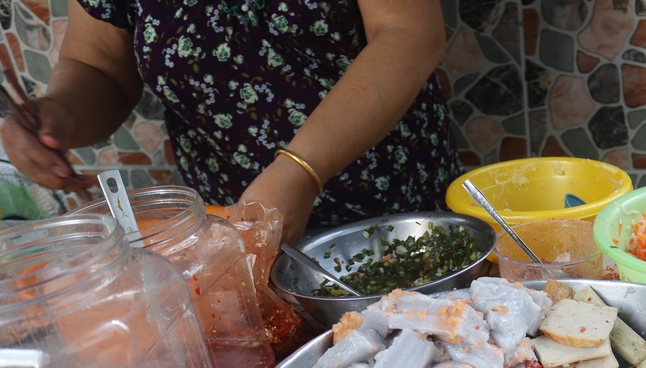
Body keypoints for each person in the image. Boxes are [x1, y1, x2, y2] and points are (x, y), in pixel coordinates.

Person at [1, 0, 461, 244]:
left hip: (395, 212)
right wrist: (59, 113)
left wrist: (301, 170)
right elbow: (98, 65)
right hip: (237, 228)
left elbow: (409, 34)